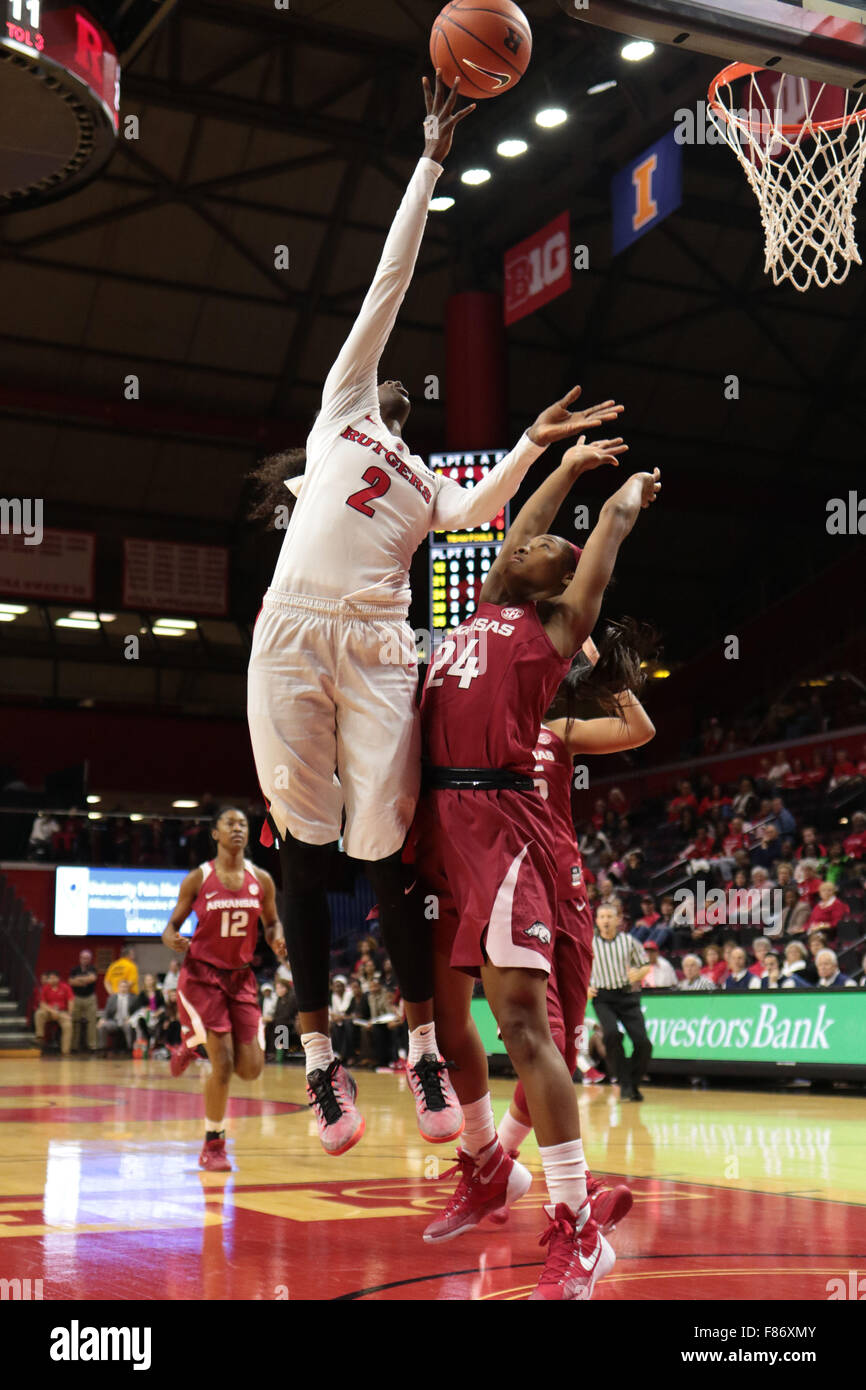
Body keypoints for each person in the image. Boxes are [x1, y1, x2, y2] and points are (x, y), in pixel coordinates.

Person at [245, 74, 623, 1157]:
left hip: (373, 644)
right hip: (291, 627)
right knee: (303, 855)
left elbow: (486, 510)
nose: (395, 393)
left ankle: (414, 1044)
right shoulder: (343, 407)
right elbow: (385, 280)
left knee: (378, 847)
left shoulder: (426, 489)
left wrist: (535, 442)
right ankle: (318, 1059)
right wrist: (427, 159)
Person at [411, 436, 660, 1298]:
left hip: (501, 824)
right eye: (520, 542)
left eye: (546, 548)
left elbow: (601, 540)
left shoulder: (552, 627)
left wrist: (624, 495)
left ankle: (576, 1226)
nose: (529, 543)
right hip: (445, 825)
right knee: (451, 1024)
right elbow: (532, 524)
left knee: (523, 1025)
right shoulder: (482, 605)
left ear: (557, 583)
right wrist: (567, 465)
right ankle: (493, 1168)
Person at [492, 626, 656, 1232]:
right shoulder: (486, 730)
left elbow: (640, 730)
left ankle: (498, 1163)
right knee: (552, 1038)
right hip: (518, 890)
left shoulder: (558, 731)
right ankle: (572, 1186)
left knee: (563, 1048)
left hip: (570, 890)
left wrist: (608, 673)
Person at [161, 806, 287, 1172]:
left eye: (243, 825)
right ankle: (213, 1145)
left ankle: (190, 1043)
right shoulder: (198, 879)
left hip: (241, 978)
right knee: (225, 1063)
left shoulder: (261, 879)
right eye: (229, 824)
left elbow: (273, 923)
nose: (237, 829)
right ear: (215, 834)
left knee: (250, 1070)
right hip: (202, 978)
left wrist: (277, 939)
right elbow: (170, 926)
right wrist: (172, 939)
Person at [589, 902, 653, 1099]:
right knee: (612, 1035)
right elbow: (577, 967)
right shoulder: (590, 943)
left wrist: (639, 972)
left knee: (643, 1043)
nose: (606, 920)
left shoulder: (629, 941)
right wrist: (585, 986)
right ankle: (625, 1084)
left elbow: (645, 965)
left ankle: (630, 1083)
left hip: (627, 996)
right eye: (602, 917)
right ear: (597, 921)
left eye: (610, 916)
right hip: (603, 997)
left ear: (618, 920)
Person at [34, 971, 73, 1055]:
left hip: (62, 1012)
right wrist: (52, 1011)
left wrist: (69, 1014)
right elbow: (42, 1004)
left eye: (54, 978)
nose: (52, 980)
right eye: (50, 978)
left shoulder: (65, 987)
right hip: (49, 1011)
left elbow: (71, 1001)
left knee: (68, 1025)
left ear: (58, 978)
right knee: (39, 1013)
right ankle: (39, 1037)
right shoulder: (45, 988)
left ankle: (65, 1051)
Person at [68, 949, 99, 1054]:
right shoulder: (74, 969)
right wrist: (84, 980)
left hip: (90, 998)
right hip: (76, 997)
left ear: (90, 959)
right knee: (75, 1021)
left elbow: (92, 978)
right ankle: (74, 1046)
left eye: (87, 958)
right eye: (83, 958)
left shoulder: (93, 968)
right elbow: (71, 982)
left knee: (92, 1022)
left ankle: (92, 1046)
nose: (85, 960)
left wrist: (79, 979)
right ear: (80, 958)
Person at [98, 979, 136, 1052]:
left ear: (128, 988)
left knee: (128, 1026)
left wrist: (131, 1019)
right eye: (121, 987)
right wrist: (102, 1019)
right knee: (102, 1026)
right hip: (114, 1021)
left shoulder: (133, 998)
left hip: (127, 1021)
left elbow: (137, 1012)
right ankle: (102, 1049)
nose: (123, 989)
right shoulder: (112, 998)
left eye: (125, 987)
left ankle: (130, 1049)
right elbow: (106, 1011)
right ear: (118, 987)